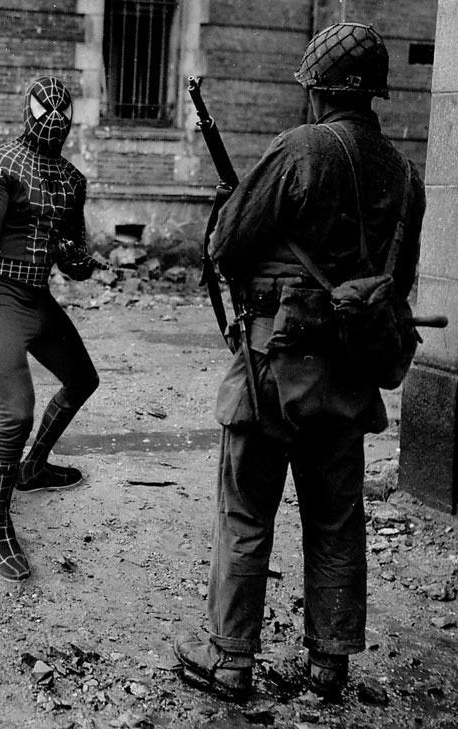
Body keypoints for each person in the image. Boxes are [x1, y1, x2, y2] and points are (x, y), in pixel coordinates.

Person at [173, 23, 425, 702]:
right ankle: (329, 665)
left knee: (247, 511)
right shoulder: (406, 175)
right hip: (347, 377)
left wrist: (232, 212)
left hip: (271, 371)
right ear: (374, 93)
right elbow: (394, 288)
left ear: (315, 89)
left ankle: (230, 662)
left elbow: (226, 247)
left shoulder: (299, 149)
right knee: (337, 517)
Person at [0, 76, 106, 582]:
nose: (51, 128)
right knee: (15, 414)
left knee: (82, 378)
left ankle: (34, 467)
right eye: (45, 117)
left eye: (60, 122)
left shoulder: (71, 179)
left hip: (37, 297)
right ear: (28, 114)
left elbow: (74, 257)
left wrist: (82, 260)